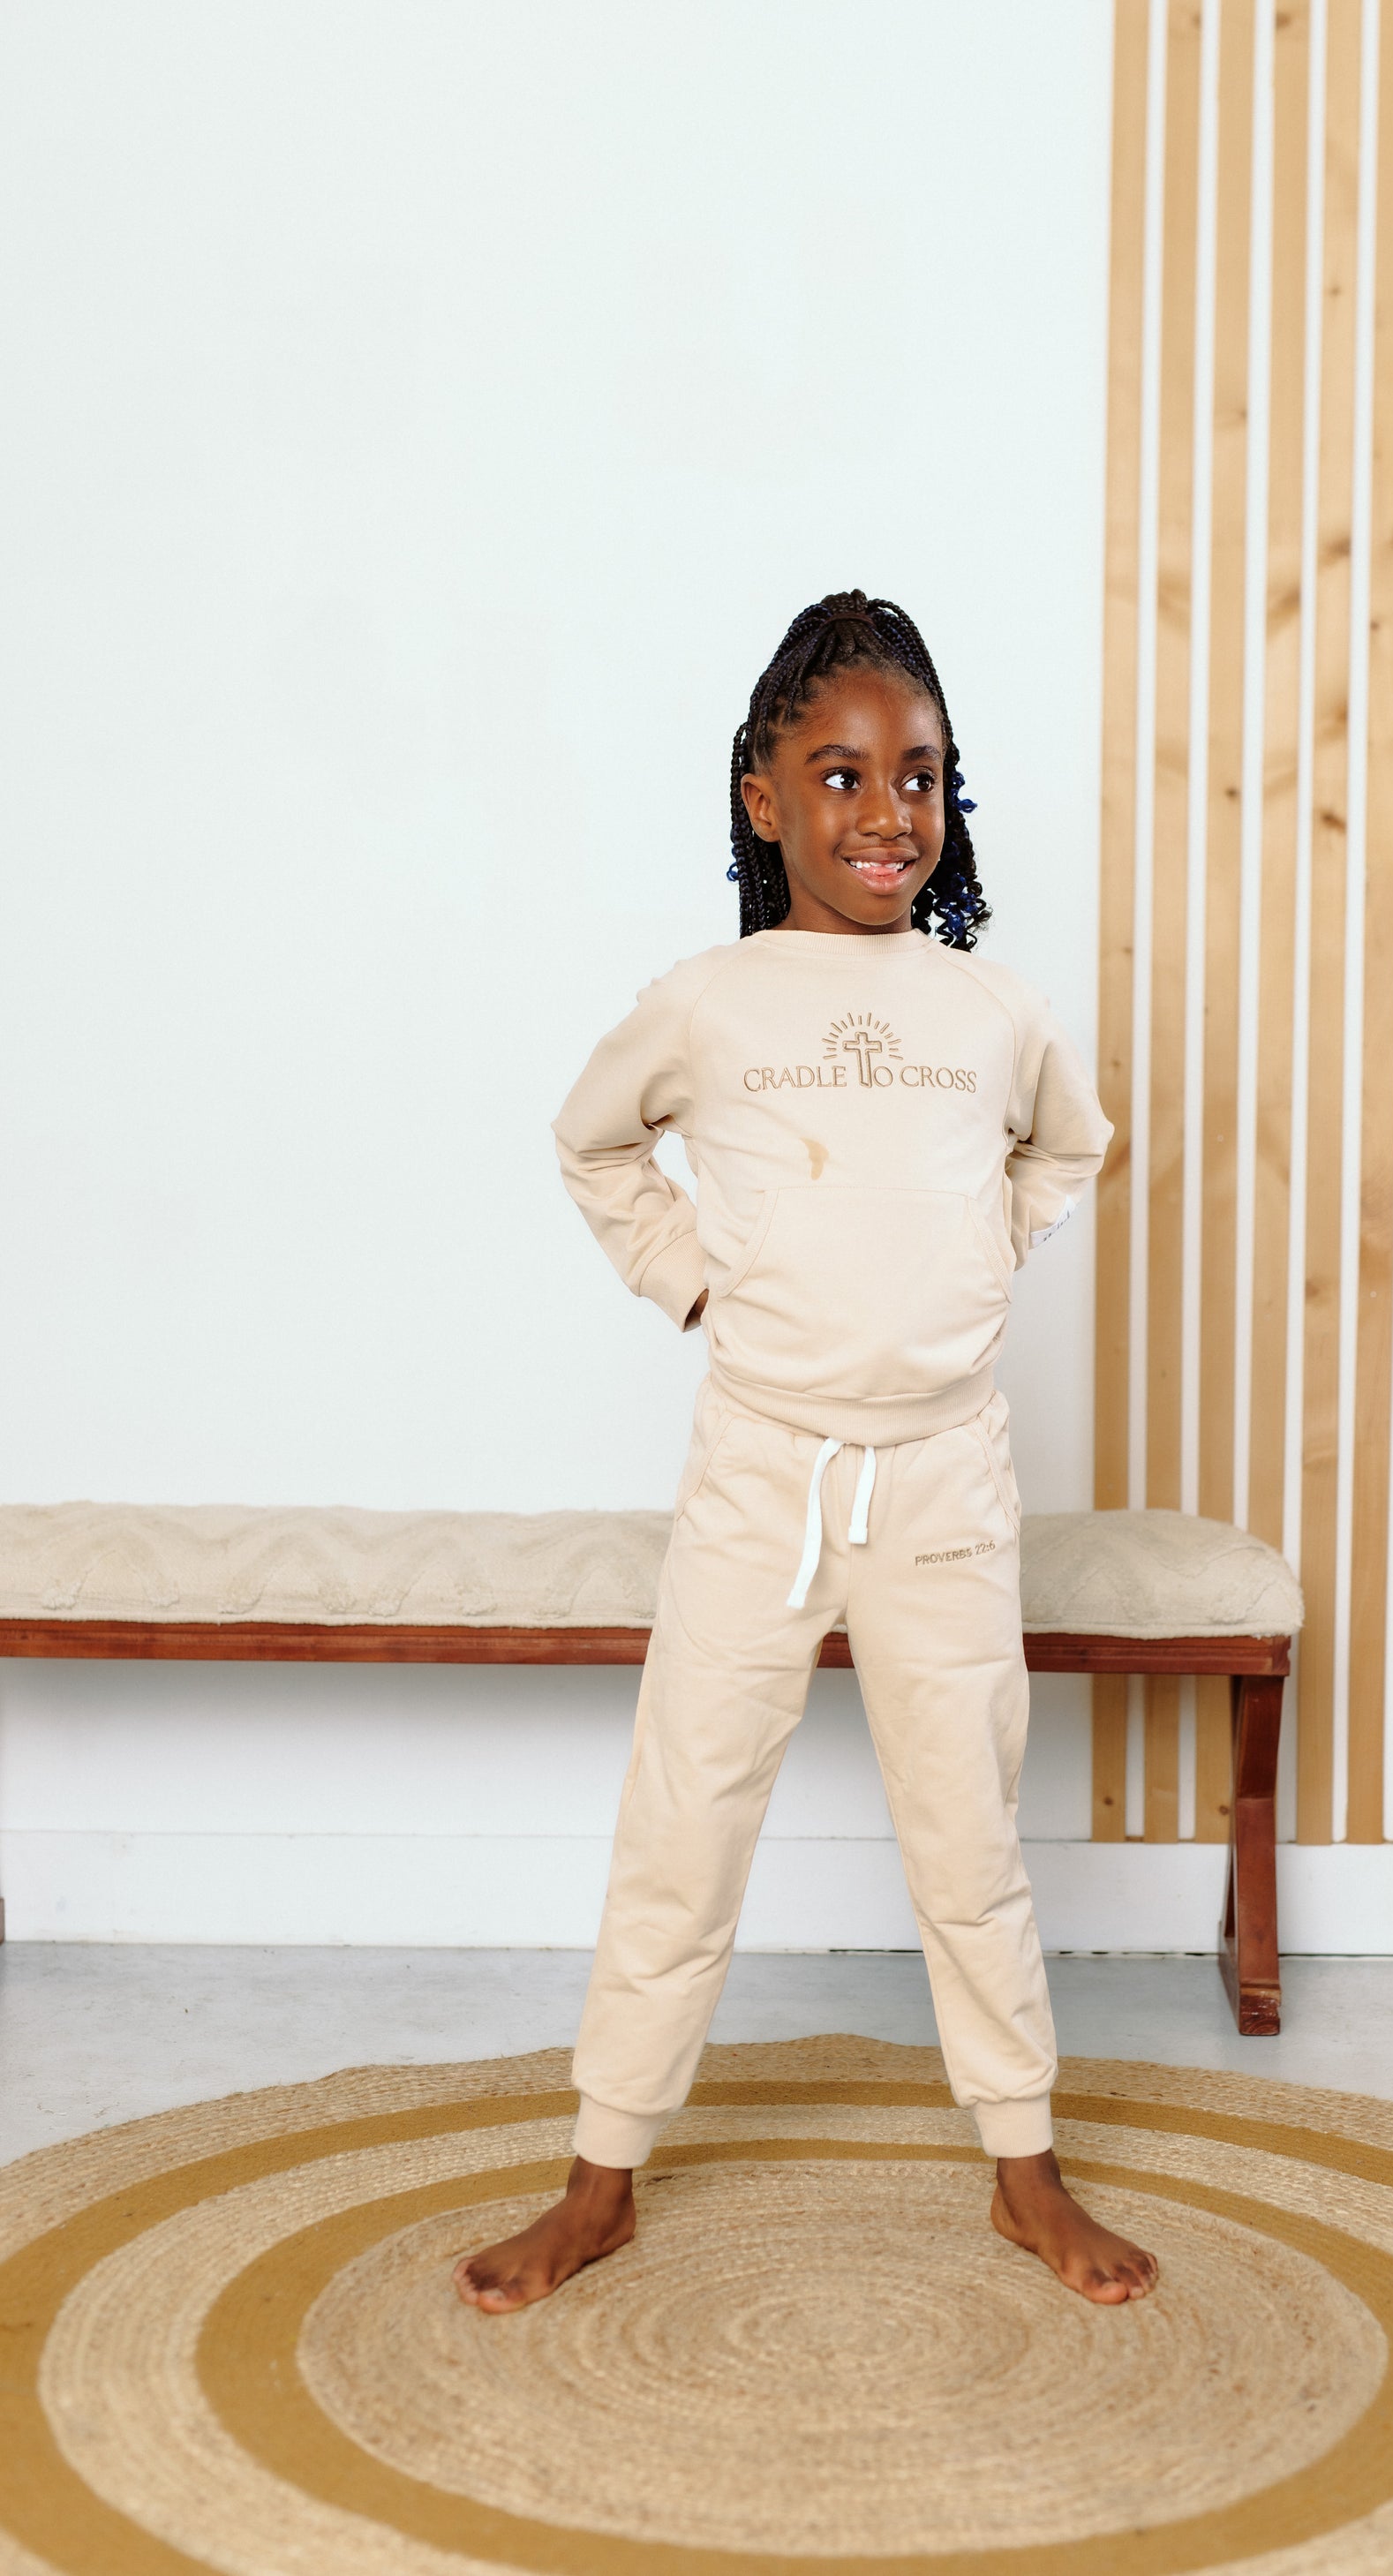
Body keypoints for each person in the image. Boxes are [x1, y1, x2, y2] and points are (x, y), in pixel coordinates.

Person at [455, 591, 1157, 2312]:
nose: (885, 811)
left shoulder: (989, 1008)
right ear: (762, 798)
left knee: (967, 1836)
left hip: (943, 1479)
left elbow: (1070, 1144)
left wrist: (986, 1249)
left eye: (919, 775)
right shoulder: (708, 1004)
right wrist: (694, 1280)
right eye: (839, 775)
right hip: (762, 1472)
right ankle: (600, 2176)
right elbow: (590, 1143)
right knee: (684, 1815)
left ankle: (1024, 2167)